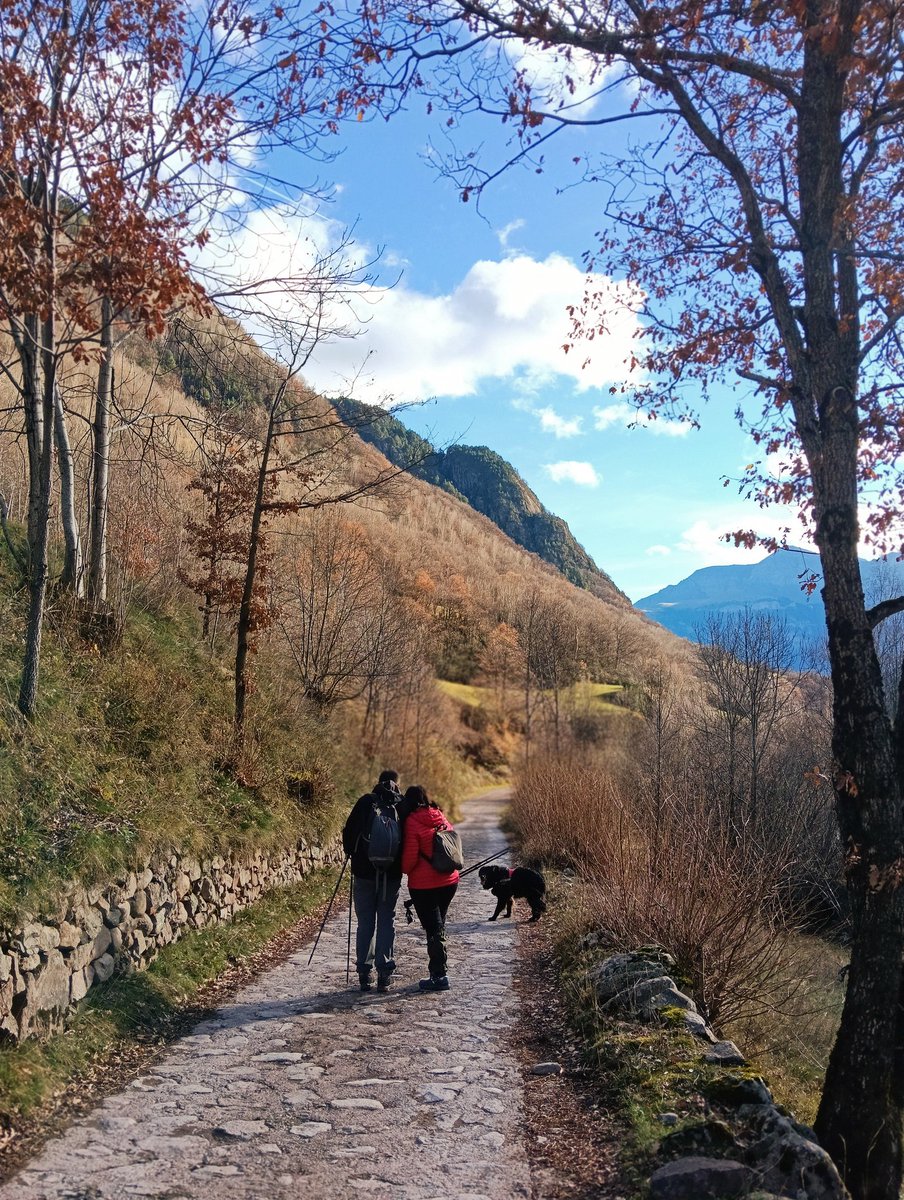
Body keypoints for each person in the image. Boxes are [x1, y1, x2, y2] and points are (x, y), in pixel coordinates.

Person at [342, 769, 413, 993]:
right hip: (390, 876)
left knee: (365, 922)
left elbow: (349, 834)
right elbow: (409, 841)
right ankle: (384, 974)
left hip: (363, 873)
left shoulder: (365, 802)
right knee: (386, 920)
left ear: (378, 782)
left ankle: (364, 973)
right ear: (397, 783)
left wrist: (352, 853)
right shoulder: (401, 807)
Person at [401, 785, 460, 992]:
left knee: (434, 928)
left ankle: (439, 975)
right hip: (449, 881)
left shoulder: (412, 821)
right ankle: (438, 971)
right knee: (438, 925)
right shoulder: (440, 815)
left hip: (424, 886)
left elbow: (408, 863)